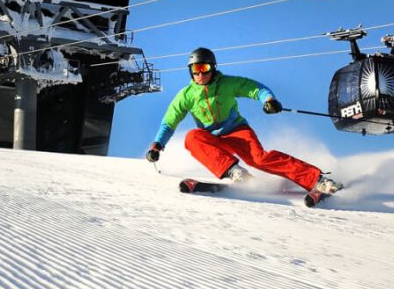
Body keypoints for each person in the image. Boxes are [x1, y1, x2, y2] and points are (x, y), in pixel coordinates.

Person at [146, 47, 343, 194]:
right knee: (192, 138)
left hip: (237, 131)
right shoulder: (186, 95)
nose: (200, 74)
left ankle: (317, 180)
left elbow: (255, 88)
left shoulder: (228, 84)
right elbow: (169, 123)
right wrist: (157, 145)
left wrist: (269, 100)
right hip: (212, 139)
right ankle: (234, 171)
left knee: (259, 159)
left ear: (212, 67)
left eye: (204, 68)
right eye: (195, 69)